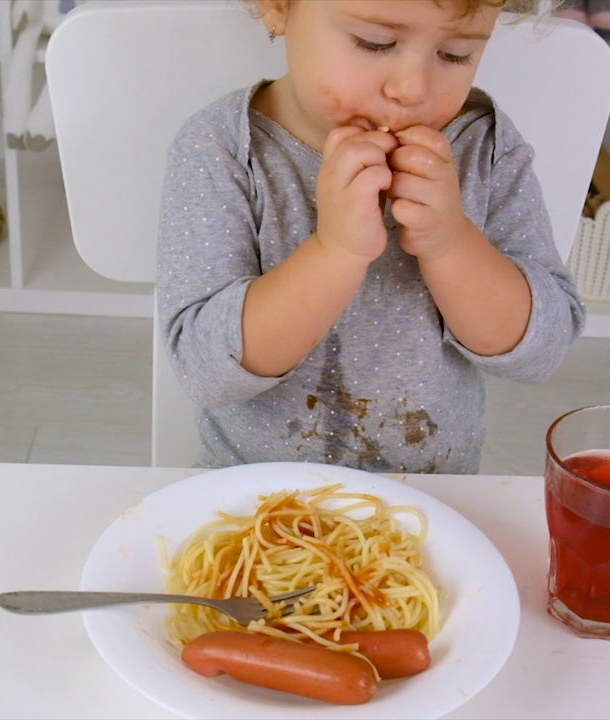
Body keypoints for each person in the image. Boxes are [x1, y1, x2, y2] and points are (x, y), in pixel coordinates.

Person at [156, 0, 585, 474]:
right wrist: (335, 251)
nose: (411, 89)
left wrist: (452, 242)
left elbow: (542, 352)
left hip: (432, 494)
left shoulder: (484, 149)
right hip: (256, 496)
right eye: (375, 43)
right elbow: (206, 372)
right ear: (276, 8)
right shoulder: (221, 148)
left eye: (455, 54)